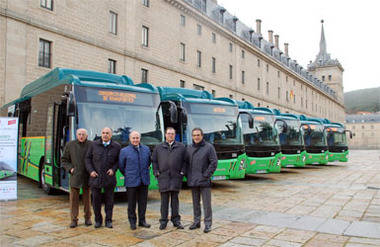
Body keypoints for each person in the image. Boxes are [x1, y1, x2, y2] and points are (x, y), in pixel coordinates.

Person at [85, 127, 120, 228]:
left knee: (109, 201)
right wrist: (91, 171)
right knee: (96, 201)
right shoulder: (94, 145)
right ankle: (98, 221)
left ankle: (108, 220)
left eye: (107, 133)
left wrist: (113, 169)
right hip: (96, 178)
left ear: (111, 135)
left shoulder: (116, 146)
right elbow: (87, 159)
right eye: (103, 133)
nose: (105, 135)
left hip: (109, 179)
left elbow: (119, 161)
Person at [152, 127, 186, 230]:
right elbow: (154, 161)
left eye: (172, 134)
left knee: (175, 201)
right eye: (168, 133)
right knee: (164, 201)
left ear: (175, 135)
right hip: (163, 177)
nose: (170, 135)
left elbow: (185, 161)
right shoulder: (158, 147)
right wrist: (156, 172)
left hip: (176, 177)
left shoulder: (181, 147)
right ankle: (163, 221)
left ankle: (176, 221)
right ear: (165, 135)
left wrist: (182, 172)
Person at [186, 127, 217, 233]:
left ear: (202, 136)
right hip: (193, 180)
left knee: (206, 204)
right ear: (192, 136)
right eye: (194, 135)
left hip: (204, 181)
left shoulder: (209, 147)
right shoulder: (189, 148)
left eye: (198, 135)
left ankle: (208, 224)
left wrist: (206, 176)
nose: (196, 137)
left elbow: (214, 163)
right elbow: (186, 163)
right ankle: (196, 222)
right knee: (195, 203)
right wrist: (187, 175)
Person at [119, 131, 151, 230]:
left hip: (144, 181)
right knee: (131, 203)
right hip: (131, 181)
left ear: (140, 138)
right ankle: (132, 222)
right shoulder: (124, 151)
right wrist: (129, 175)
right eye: (133, 138)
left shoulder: (146, 149)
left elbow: (149, 162)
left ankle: (142, 221)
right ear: (130, 139)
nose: (135, 140)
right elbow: (121, 166)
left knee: (143, 203)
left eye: (137, 138)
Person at [61, 128, 92, 228]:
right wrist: (70, 169)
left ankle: (88, 218)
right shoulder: (70, 145)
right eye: (79, 134)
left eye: (83, 134)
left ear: (86, 136)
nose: (81, 136)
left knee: (87, 199)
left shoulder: (91, 145)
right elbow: (64, 160)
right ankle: (74, 220)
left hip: (87, 176)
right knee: (74, 200)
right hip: (75, 176)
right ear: (76, 135)